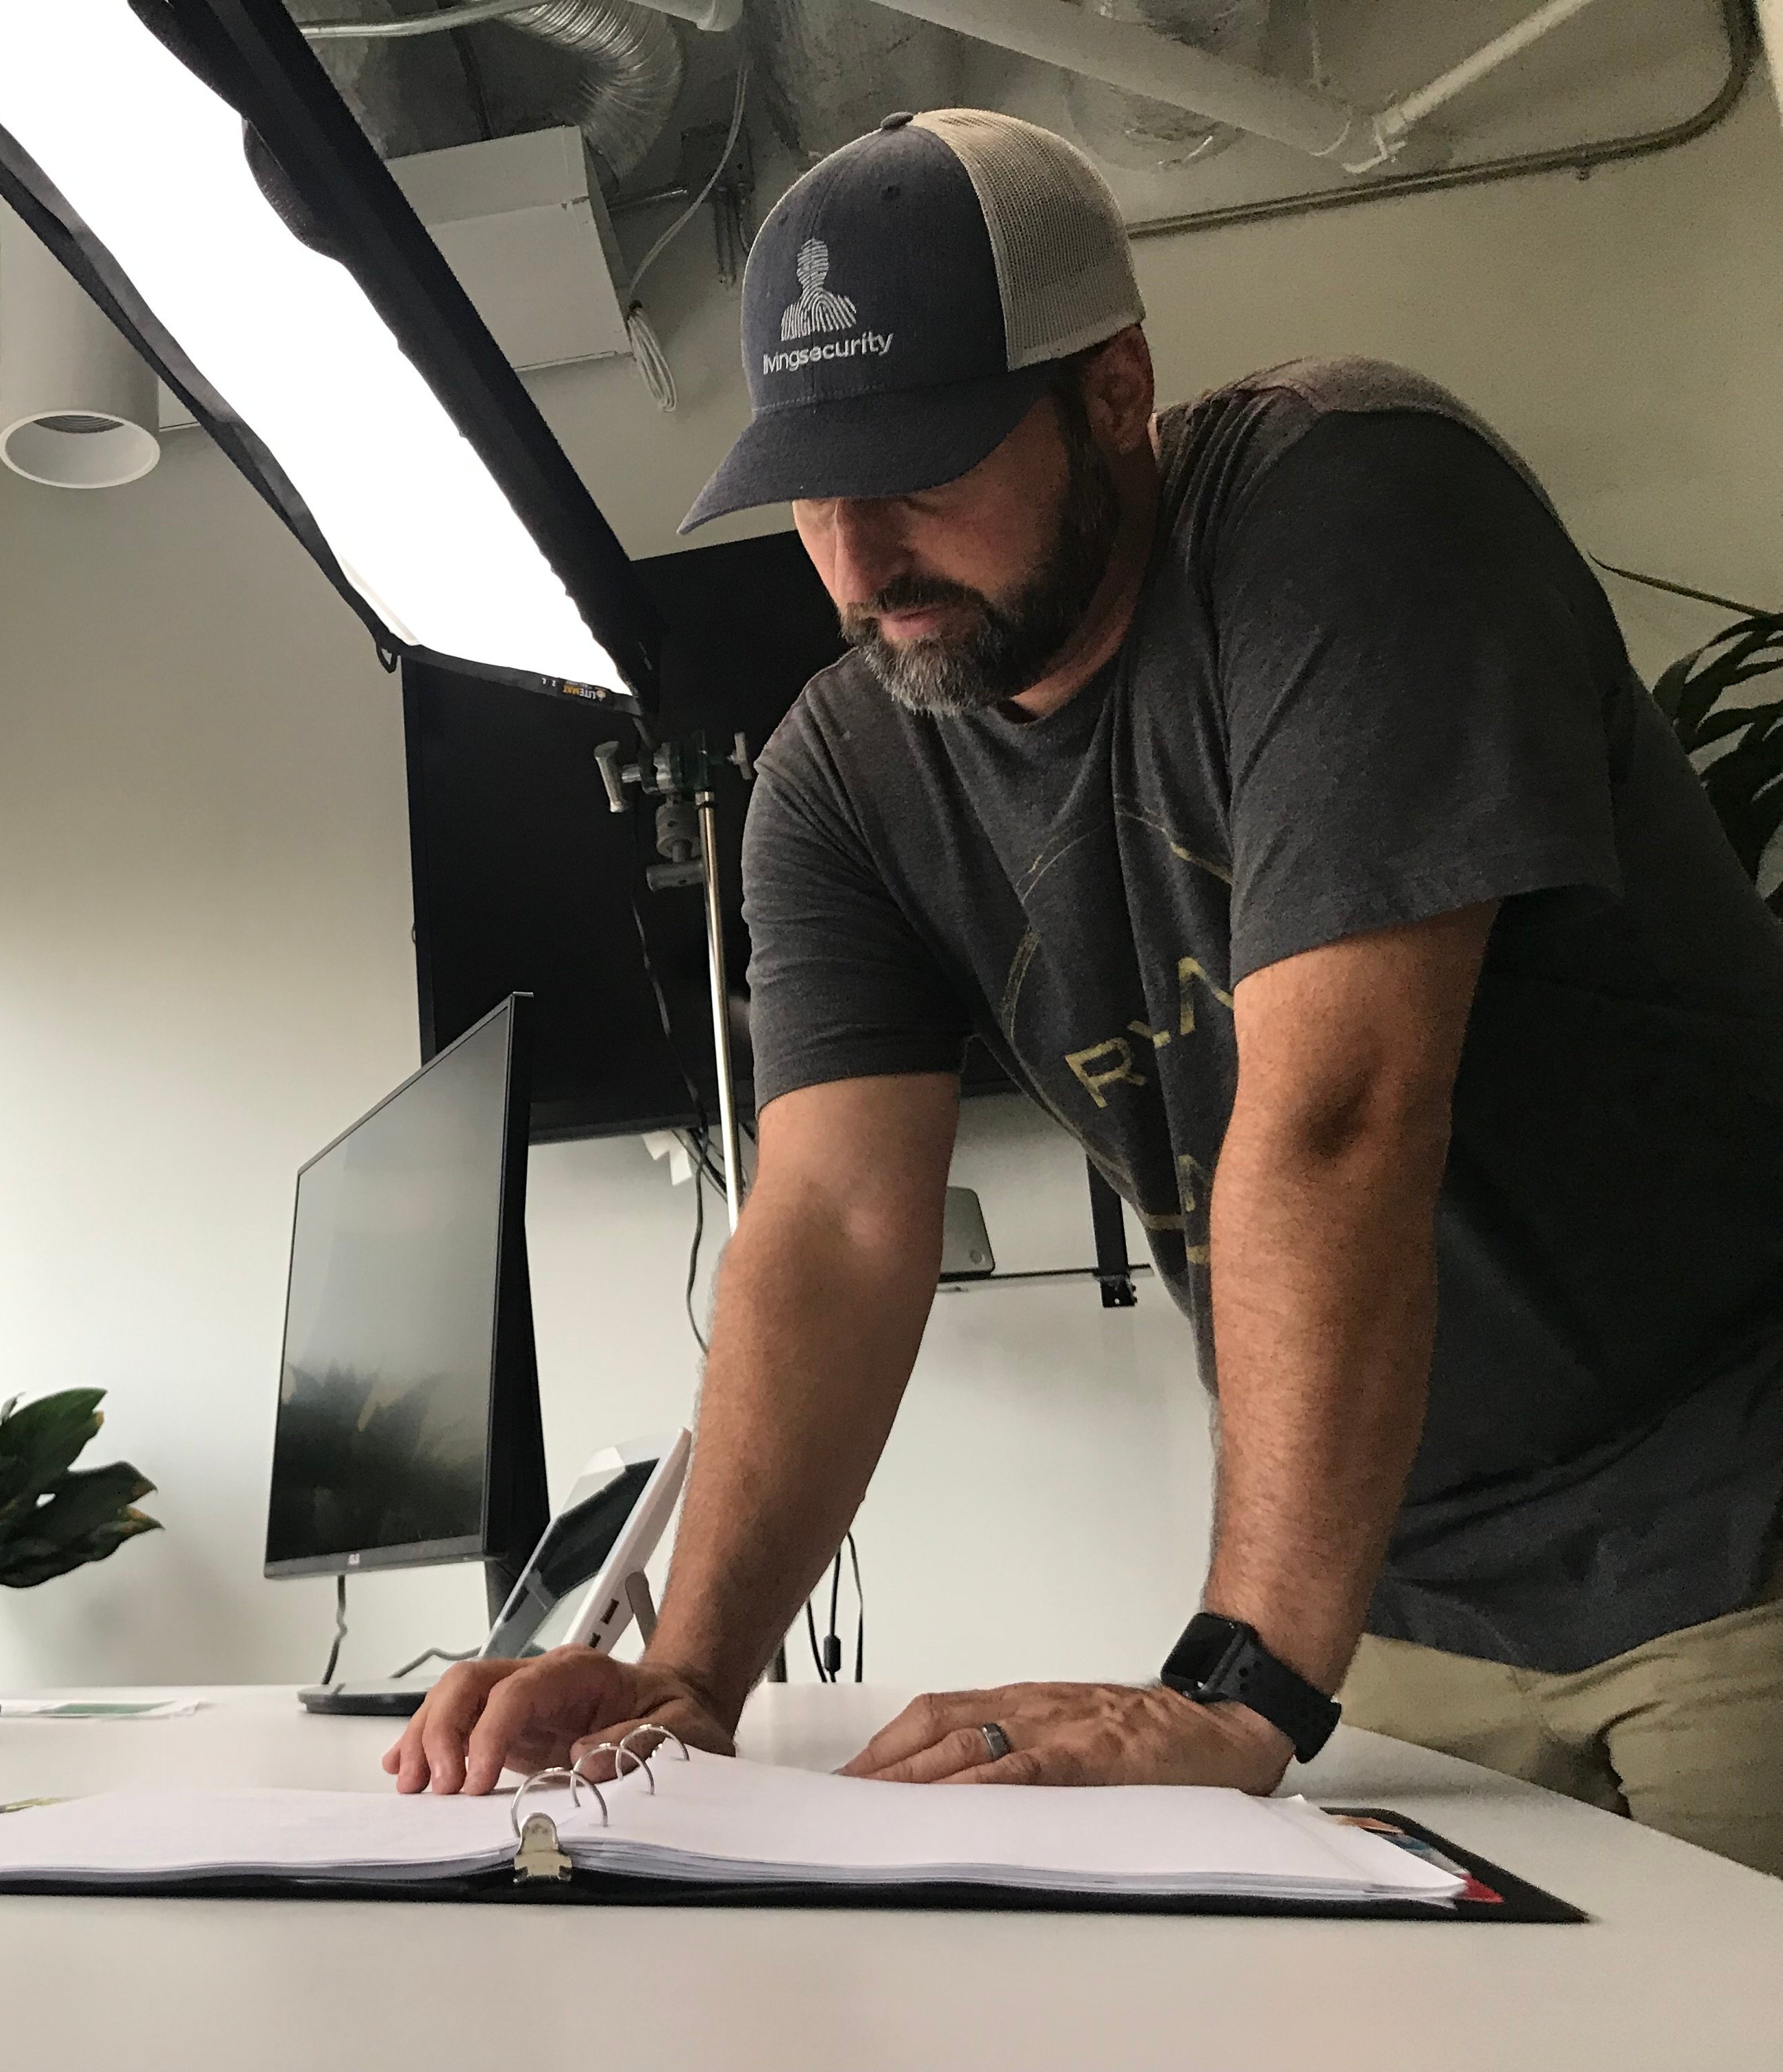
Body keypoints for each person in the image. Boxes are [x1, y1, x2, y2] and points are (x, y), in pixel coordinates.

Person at [388, 108, 1783, 1877]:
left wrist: (1241, 1681)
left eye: (923, 468)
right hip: (1414, 1599)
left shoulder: (1345, 502)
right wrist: (688, 1677)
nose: (860, 557)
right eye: (815, 486)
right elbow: (827, 1223)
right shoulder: (840, 768)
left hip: (1742, 1530)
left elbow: (1341, 1111)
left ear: (1114, 392)